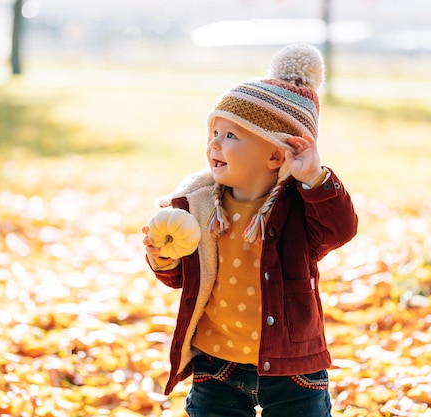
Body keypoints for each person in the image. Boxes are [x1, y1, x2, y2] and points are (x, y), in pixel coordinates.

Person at [142, 43, 358, 417]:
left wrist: (314, 179)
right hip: (217, 365)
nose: (214, 143)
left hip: (293, 370)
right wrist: (162, 257)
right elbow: (184, 276)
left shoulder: (300, 207)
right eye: (214, 132)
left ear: (275, 155)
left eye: (231, 136)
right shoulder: (200, 206)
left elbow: (340, 229)